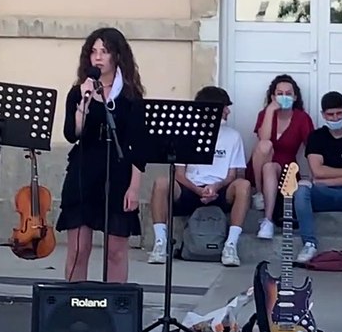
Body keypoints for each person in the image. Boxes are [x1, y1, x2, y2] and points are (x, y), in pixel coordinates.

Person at [56, 27, 148, 284]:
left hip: (118, 174)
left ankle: (115, 313)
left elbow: (138, 146)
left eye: (104, 52)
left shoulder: (130, 96)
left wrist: (134, 187)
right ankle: (75, 309)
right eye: (93, 52)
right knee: (78, 249)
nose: (98, 58)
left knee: (116, 252)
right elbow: (71, 134)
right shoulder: (78, 92)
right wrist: (83, 105)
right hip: (84, 171)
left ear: (117, 56)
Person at [146, 86, 251, 267]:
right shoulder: (187, 133)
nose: (228, 111)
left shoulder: (233, 136)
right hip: (191, 188)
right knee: (161, 182)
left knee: (244, 185)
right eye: (224, 106)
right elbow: (178, 173)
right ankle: (161, 243)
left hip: (220, 190)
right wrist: (198, 190)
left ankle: (230, 245)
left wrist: (215, 188)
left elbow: (233, 174)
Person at [292, 91, 342, 264]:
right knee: (301, 188)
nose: (335, 118)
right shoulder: (316, 137)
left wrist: (327, 179)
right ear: (323, 115)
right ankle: (309, 243)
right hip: (322, 195)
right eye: (330, 114)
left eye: (339, 113)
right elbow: (317, 171)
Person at [249, 74, 314, 239]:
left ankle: (267, 220)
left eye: (288, 93)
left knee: (271, 167)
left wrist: (314, 178)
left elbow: (311, 149)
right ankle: (260, 193)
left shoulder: (301, 118)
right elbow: (263, 139)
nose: (284, 97)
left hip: (287, 169)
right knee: (265, 145)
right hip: (260, 167)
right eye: (279, 93)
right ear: (273, 96)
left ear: (295, 97)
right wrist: (271, 110)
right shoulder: (264, 114)